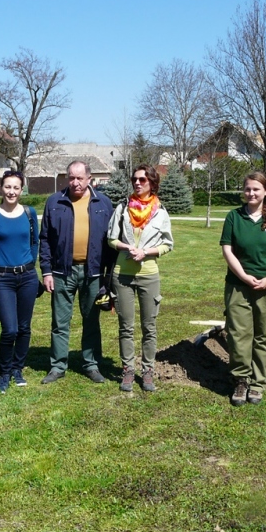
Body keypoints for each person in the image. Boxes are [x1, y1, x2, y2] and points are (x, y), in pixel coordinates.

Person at [39, 160, 114, 384]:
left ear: (89, 179)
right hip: (62, 272)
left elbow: (111, 241)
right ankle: (58, 366)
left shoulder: (103, 203)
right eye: (71, 177)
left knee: (91, 320)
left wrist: (108, 277)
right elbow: (45, 240)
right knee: (60, 322)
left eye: (80, 178)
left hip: (93, 272)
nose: (75, 182)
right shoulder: (54, 202)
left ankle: (91, 364)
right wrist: (46, 271)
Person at [220, 172, 266, 406]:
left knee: (264, 335)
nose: (251, 193)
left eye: (256, 189)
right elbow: (227, 250)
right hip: (238, 286)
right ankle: (241, 380)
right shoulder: (234, 217)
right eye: (248, 189)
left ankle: (258, 383)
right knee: (239, 334)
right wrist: (244, 276)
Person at [106, 164, 173, 392]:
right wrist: (125, 247)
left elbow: (167, 244)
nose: (137, 183)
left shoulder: (160, 212)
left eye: (143, 180)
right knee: (126, 327)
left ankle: (147, 371)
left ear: (152, 183)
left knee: (149, 327)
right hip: (122, 275)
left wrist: (146, 252)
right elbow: (110, 239)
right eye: (135, 179)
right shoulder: (122, 208)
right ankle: (127, 370)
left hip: (149, 276)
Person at [0, 170, 40, 393]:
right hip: (2, 278)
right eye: (8, 187)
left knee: (24, 328)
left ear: (21, 189)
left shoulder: (29, 213)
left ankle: (17, 368)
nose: (12, 191)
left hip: (27, 277)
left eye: (16, 187)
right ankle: (4, 373)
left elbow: (35, 241)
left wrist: (29, 263)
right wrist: (2, 264)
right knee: (9, 329)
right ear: (1, 188)